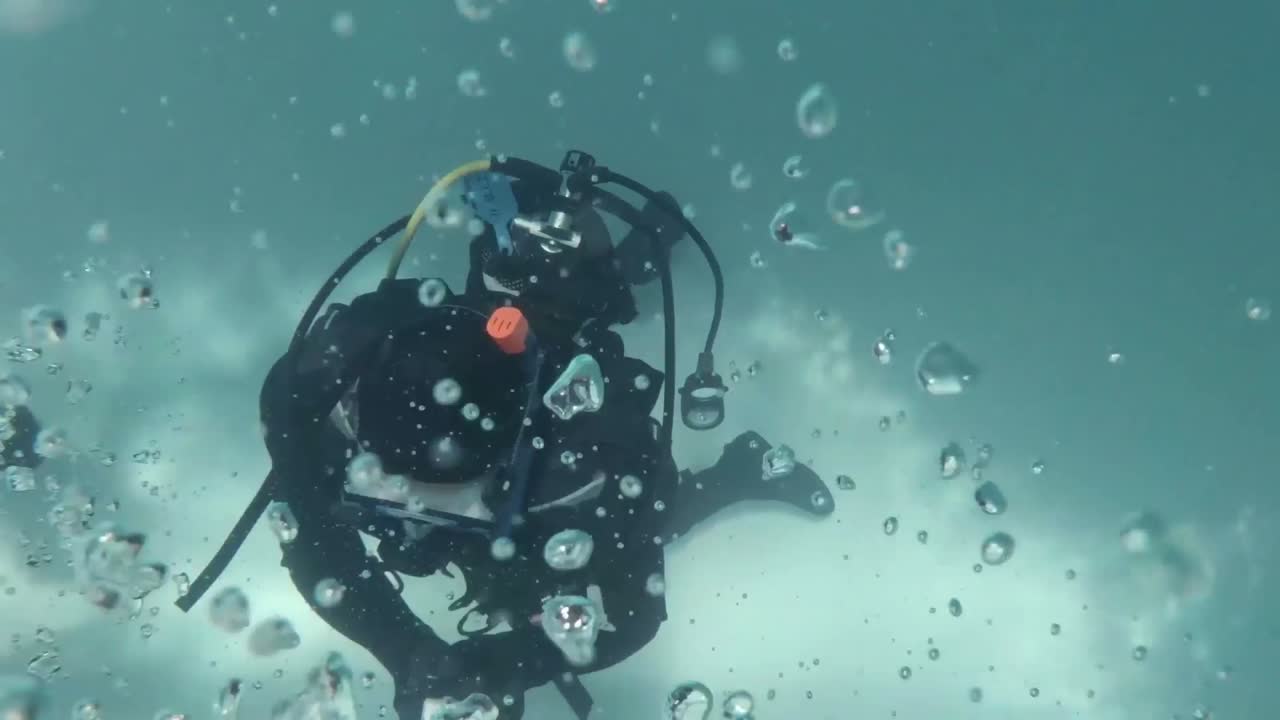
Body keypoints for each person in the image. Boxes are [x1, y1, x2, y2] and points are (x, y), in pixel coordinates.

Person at [181, 152, 836, 720]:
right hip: (508, 499)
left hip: (551, 504)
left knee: (653, 512)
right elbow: (308, 535)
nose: (420, 475)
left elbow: (635, 615)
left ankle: (743, 470)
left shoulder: (591, 437)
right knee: (609, 521)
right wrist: (408, 651)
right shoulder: (344, 385)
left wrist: (499, 665)